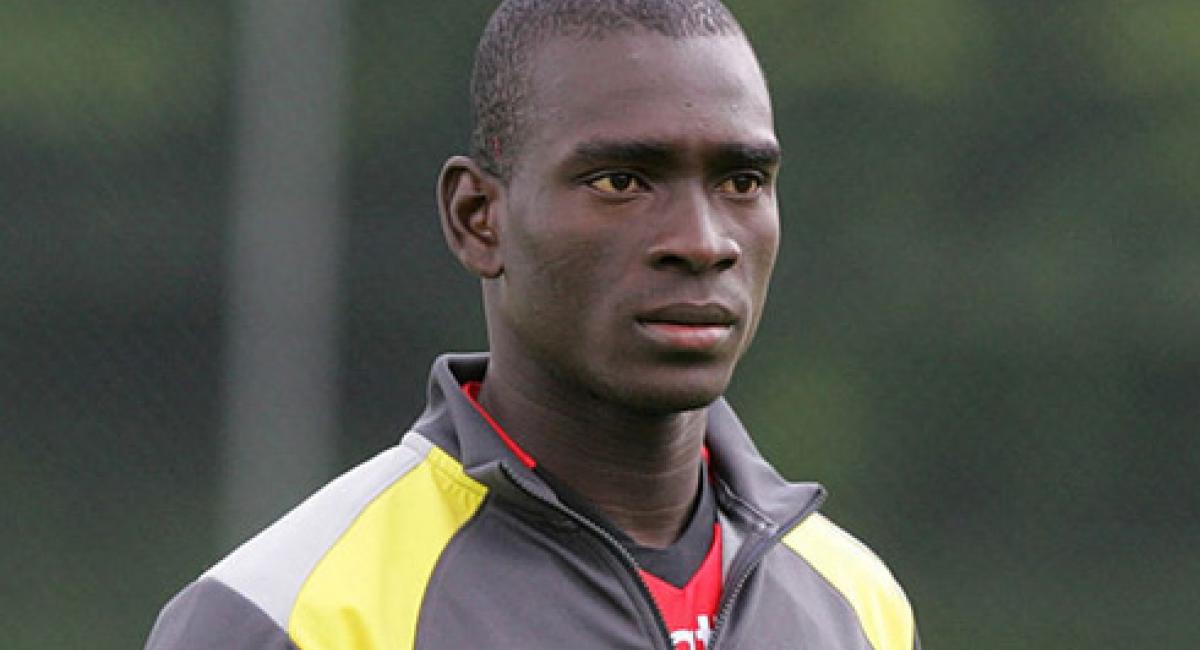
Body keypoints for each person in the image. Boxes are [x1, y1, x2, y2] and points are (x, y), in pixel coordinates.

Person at [146, 1, 920, 648]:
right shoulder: (290, 617)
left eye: (742, 181)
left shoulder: (858, 607)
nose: (703, 241)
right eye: (621, 181)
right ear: (477, 217)